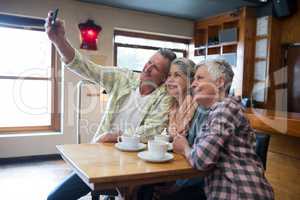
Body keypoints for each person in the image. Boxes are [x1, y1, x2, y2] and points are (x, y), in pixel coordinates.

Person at [45, 11, 176, 200]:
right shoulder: (123, 77)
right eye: (149, 62)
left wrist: (115, 136)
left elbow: (152, 131)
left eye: (155, 67)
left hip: (134, 167)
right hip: (100, 158)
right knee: (55, 198)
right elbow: (88, 68)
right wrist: (59, 41)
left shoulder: (164, 96)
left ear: (164, 78)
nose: (147, 68)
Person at [173, 60, 274, 200]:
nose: (193, 84)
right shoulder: (218, 110)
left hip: (239, 193)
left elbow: (201, 160)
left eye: (199, 78)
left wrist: (184, 147)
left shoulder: (226, 108)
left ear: (220, 82)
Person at [136, 58, 208, 200]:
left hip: (197, 182)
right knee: (141, 186)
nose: (170, 80)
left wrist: (176, 187)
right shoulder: (173, 109)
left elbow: (203, 162)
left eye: (177, 75)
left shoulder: (200, 111)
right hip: (175, 173)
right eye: (169, 75)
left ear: (190, 81)